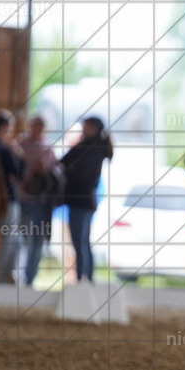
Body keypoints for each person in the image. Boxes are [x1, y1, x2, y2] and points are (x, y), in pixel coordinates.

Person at [61, 117, 113, 283]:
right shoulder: (88, 146)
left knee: (80, 243)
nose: (83, 128)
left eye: (87, 125)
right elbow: (64, 161)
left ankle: (83, 280)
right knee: (82, 242)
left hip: (81, 200)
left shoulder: (93, 148)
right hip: (82, 200)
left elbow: (78, 171)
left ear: (94, 128)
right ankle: (85, 279)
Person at [18, 115, 61, 286]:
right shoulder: (21, 144)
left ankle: (30, 278)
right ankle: (16, 275)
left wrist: (46, 169)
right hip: (24, 198)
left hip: (42, 201)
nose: (38, 130)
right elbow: (15, 170)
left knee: (37, 240)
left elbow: (57, 170)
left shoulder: (48, 147)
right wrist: (29, 173)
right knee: (22, 237)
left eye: (41, 127)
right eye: (35, 126)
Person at [0, 111, 25, 284]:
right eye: (9, 128)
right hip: (7, 200)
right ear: (4, 128)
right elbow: (18, 173)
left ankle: (10, 275)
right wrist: (20, 156)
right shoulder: (3, 150)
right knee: (10, 240)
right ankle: (1, 278)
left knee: (17, 240)